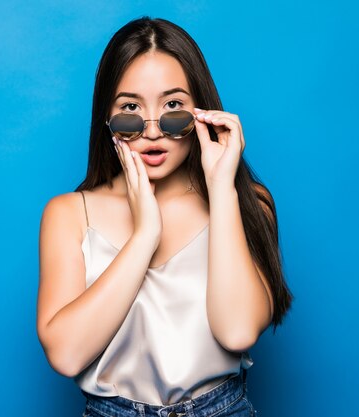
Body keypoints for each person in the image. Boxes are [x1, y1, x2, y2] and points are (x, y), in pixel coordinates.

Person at [36, 16, 293, 417]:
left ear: (201, 113)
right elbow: (67, 356)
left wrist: (223, 187)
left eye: (173, 107)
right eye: (130, 109)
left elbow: (238, 330)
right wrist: (145, 236)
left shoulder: (248, 203)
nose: (152, 131)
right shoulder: (69, 214)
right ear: (107, 120)